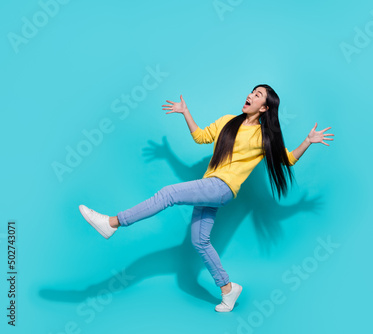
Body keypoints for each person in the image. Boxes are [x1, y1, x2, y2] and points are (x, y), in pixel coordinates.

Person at [78, 84, 334, 312]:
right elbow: (201, 137)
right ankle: (228, 289)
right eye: (251, 91)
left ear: (265, 107)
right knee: (199, 241)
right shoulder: (228, 121)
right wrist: (185, 113)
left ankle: (112, 223)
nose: (250, 95)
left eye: (257, 95)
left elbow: (287, 159)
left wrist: (308, 141)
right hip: (210, 185)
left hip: (222, 188)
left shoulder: (263, 137)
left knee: (168, 193)